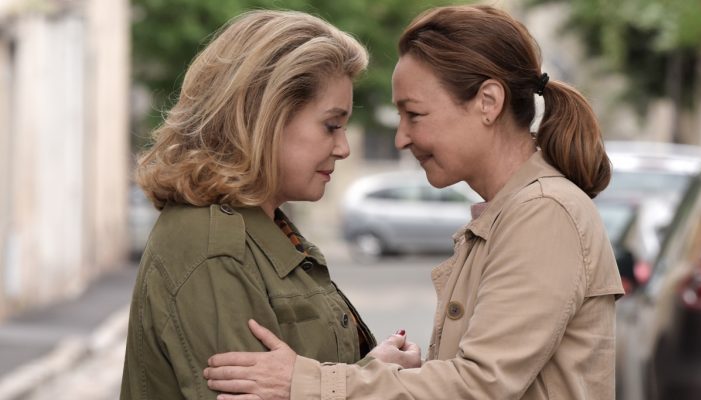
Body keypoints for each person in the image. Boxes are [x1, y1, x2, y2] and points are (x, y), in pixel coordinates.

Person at [203, 4, 625, 400]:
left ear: (488, 102)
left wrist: (307, 382)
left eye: (415, 115)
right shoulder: (513, 212)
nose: (401, 138)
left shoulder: (544, 213)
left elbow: (478, 385)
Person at [119, 10, 379, 399]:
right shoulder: (213, 247)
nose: (341, 148)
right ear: (266, 118)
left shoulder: (263, 227)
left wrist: (378, 374)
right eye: (331, 125)